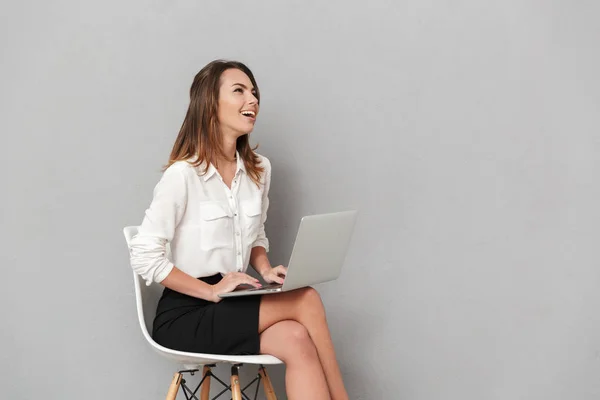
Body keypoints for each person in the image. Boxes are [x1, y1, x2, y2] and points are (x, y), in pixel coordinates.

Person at [129, 59, 348, 400]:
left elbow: (256, 235)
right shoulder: (183, 175)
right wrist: (213, 291)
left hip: (229, 303)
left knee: (295, 337)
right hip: (186, 312)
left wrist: (264, 268)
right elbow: (144, 256)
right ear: (210, 106)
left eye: (254, 91)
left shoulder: (259, 170)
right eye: (239, 91)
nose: (253, 99)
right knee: (306, 300)